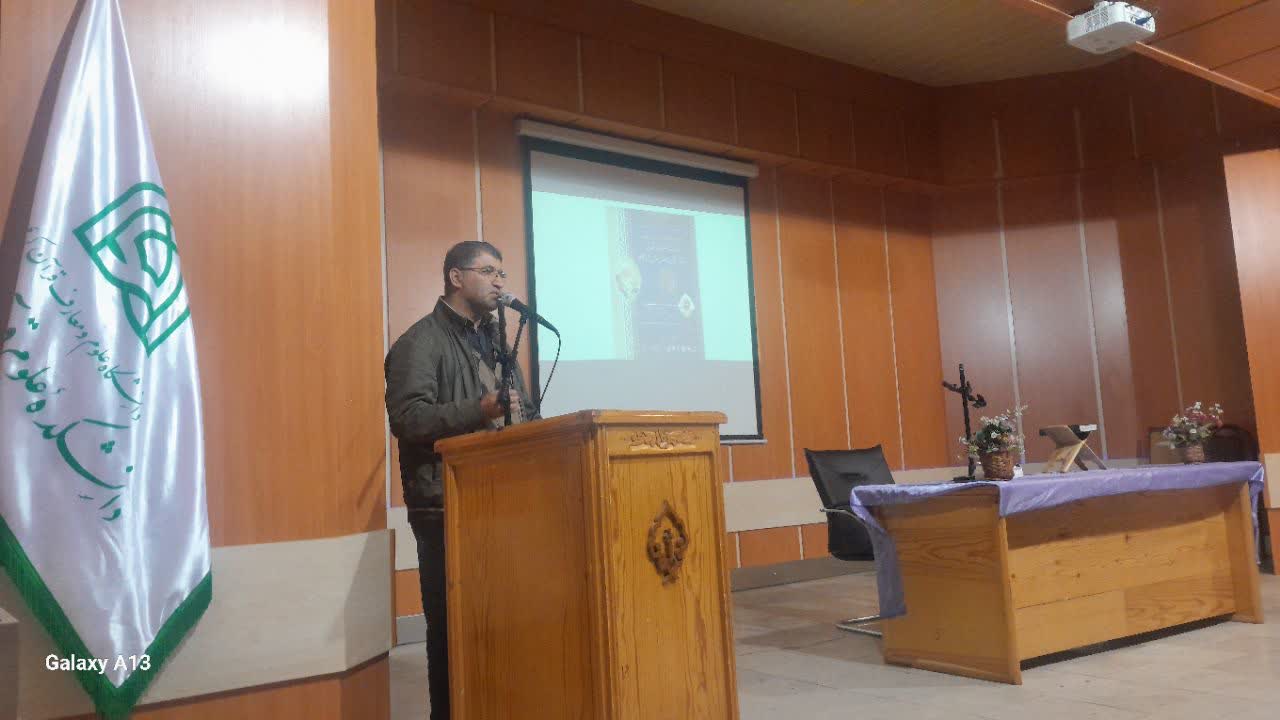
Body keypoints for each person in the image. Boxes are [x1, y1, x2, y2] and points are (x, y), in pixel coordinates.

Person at [384, 240, 537, 719]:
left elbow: (522, 411)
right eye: (488, 271)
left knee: (501, 623)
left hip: (503, 501)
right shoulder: (419, 343)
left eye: (502, 274)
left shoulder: (496, 340)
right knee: (453, 631)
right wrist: (479, 409)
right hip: (445, 507)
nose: (499, 282)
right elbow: (408, 419)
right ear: (456, 277)